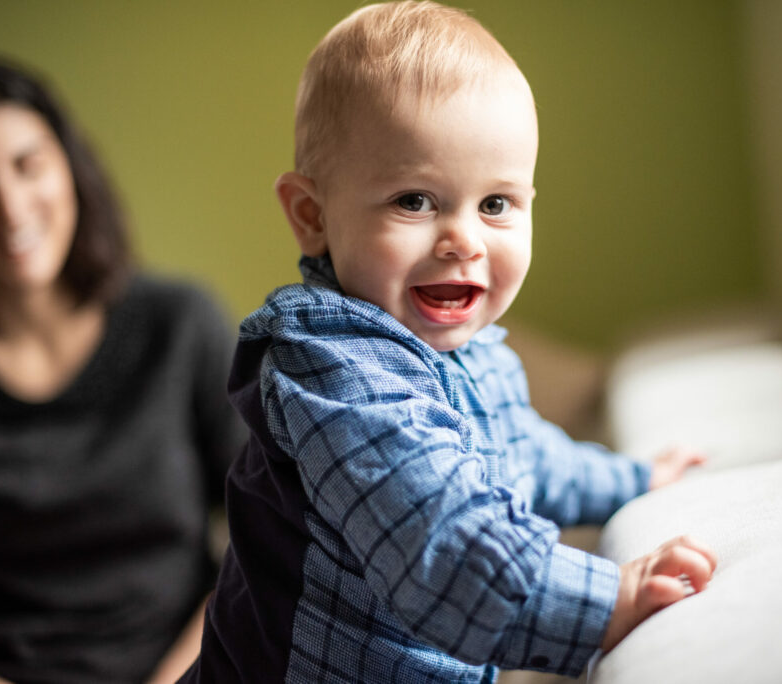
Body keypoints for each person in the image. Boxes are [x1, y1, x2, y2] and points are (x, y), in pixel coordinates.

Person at [182, 2, 716, 682]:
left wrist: (634, 479)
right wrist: (606, 600)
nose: (463, 239)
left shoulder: (479, 352)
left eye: (496, 204)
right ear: (312, 216)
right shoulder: (330, 368)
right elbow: (439, 534)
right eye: (415, 200)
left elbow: (532, 459)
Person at [0, 57, 245, 684]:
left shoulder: (180, 326)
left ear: (69, 166)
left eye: (28, 165)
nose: (11, 209)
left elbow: (263, 537)